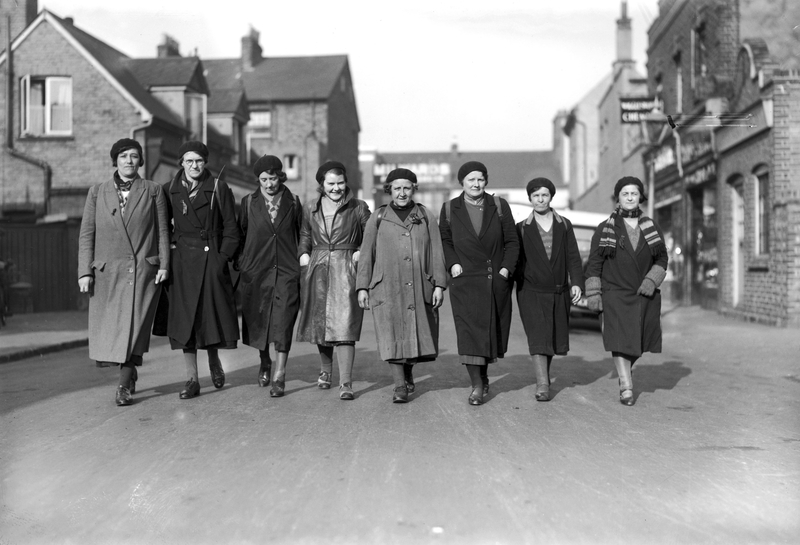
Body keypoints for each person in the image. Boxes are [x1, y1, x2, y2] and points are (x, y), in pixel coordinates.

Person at [78, 138, 169, 406]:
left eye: (134, 156)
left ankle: (122, 385)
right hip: (108, 272)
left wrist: (164, 264)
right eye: (123, 156)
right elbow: (87, 234)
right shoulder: (97, 192)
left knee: (136, 326)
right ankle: (129, 374)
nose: (129, 161)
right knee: (114, 330)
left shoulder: (153, 190)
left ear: (140, 161)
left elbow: (163, 230)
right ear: (115, 161)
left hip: (143, 269)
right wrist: (85, 271)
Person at [357, 168, 447, 403]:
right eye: (397, 188)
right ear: (389, 190)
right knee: (391, 333)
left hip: (419, 284)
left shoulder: (426, 215)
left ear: (413, 189)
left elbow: (437, 251)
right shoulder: (377, 217)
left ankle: (408, 370)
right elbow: (366, 254)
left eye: (407, 187)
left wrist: (439, 284)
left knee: (417, 332)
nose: (402, 193)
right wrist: (362, 287)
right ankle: (399, 385)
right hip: (387, 285)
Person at [162, 141, 240, 399]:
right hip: (182, 262)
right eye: (189, 161)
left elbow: (231, 228)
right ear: (181, 163)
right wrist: (170, 253)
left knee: (209, 317)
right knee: (186, 321)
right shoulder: (169, 190)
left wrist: (221, 259)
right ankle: (192, 379)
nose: (194, 166)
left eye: (199, 161)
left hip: (210, 259)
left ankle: (214, 362)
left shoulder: (219, 188)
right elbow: (162, 228)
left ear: (205, 163)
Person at [439, 161, 519, 406]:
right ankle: (476, 385)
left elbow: (512, 242)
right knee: (469, 333)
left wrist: (505, 269)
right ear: (461, 182)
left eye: (480, 179)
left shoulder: (499, 205)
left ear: (486, 181)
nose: (476, 184)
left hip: (494, 279)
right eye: (471, 179)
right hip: (465, 281)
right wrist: (452, 263)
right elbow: (445, 241)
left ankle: (483, 377)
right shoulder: (449, 209)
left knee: (489, 333)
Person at [585, 176, 668, 406]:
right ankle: (626, 386)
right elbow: (594, 264)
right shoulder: (605, 228)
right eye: (625, 194)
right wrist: (593, 293)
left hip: (643, 294)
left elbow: (662, 257)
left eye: (634, 193)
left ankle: (625, 376)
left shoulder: (651, 226)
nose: (630, 197)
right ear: (618, 198)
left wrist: (652, 280)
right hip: (615, 293)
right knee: (620, 341)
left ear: (640, 197)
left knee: (637, 344)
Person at [296, 161, 370, 400]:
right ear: (322, 184)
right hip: (317, 267)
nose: (336, 188)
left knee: (345, 325)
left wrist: (361, 250)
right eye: (331, 183)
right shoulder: (310, 207)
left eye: (340, 183)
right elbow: (305, 234)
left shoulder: (358, 207)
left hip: (346, 266)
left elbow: (371, 235)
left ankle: (346, 382)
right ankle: (326, 371)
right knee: (321, 324)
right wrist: (303, 254)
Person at [236, 155, 302, 397]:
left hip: (286, 270)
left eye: (272, 178)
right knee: (260, 321)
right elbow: (241, 235)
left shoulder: (293, 202)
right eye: (263, 179)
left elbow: (300, 236)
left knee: (283, 322)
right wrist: (244, 264)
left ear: (280, 177)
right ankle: (265, 360)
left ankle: (280, 374)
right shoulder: (247, 203)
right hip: (257, 272)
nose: (268, 184)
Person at [515, 178, 584, 402]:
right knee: (538, 337)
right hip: (531, 292)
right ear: (530, 199)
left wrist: (576, 283)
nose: (540, 199)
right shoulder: (522, 228)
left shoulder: (564, 224)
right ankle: (543, 384)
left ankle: (544, 377)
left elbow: (573, 256)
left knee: (551, 337)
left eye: (544, 195)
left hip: (558, 291)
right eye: (536, 196)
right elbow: (516, 261)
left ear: (551, 197)